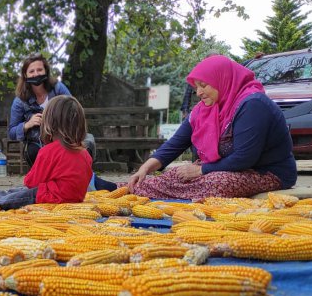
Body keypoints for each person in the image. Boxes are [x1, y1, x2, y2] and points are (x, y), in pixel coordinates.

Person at [123, 55, 296, 201]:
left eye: (203, 85)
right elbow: (175, 144)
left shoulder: (252, 104)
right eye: (196, 87)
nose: (198, 92)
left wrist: (200, 170)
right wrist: (145, 168)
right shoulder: (204, 110)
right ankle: (124, 188)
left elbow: (245, 158)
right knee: (177, 174)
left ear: (222, 80)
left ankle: (137, 190)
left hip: (266, 173)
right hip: (223, 168)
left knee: (217, 183)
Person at [0, 95, 93, 210]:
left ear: (49, 124)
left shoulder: (49, 151)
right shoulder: (85, 153)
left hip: (49, 198)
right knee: (17, 192)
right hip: (74, 198)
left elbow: (31, 182)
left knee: (9, 200)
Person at [7, 53, 72, 166]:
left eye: (39, 70)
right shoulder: (20, 101)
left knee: (86, 144)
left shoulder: (58, 88)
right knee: (33, 152)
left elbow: (73, 110)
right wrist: (27, 124)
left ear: (46, 71)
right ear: (25, 75)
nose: (36, 74)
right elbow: (11, 132)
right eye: (31, 71)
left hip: (63, 139)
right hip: (37, 143)